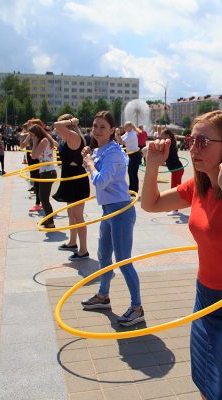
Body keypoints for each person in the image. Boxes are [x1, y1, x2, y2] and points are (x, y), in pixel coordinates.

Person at [141, 110, 222, 399]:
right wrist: (152, 166)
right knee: (204, 383)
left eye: (203, 141)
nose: (193, 147)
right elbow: (150, 204)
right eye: (191, 139)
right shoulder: (199, 184)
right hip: (205, 299)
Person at [80, 111, 144, 327]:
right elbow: (92, 169)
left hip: (121, 212)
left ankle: (137, 307)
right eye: (95, 126)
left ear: (112, 130)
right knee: (103, 256)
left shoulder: (114, 153)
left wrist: (89, 162)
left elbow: (100, 181)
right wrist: (89, 157)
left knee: (123, 260)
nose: (97, 130)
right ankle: (103, 296)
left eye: (102, 127)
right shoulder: (101, 150)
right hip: (108, 210)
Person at [52, 114, 91, 261]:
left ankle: (83, 250)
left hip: (76, 180)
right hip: (69, 178)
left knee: (78, 216)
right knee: (71, 214)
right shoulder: (68, 138)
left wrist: (71, 121)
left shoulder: (73, 136)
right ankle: (72, 242)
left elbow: (56, 125)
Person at [29, 123, 58, 229]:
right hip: (47, 171)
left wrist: (35, 142)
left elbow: (34, 156)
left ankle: (50, 222)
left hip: (47, 172)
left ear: (36, 134)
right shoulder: (46, 139)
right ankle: (48, 220)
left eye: (32, 135)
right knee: (43, 197)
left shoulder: (43, 141)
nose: (31, 137)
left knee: (44, 198)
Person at [158, 126, 185, 216]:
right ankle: (174, 208)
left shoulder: (169, 144)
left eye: (162, 136)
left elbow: (164, 155)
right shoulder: (170, 143)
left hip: (177, 169)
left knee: (175, 190)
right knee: (175, 189)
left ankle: (175, 209)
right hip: (177, 169)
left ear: (167, 136)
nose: (161, 138)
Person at [116, 121, 141, 193]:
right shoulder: (128, 133)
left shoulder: (131, 134)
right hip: (131, 155)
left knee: (133, 173)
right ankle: (131, 188)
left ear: (130, 127)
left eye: (126, 127)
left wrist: (117, 134)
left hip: (135, 155)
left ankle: (135, 190)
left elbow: (121, 142)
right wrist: (117, 134)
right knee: (130, 172)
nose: (124, 128)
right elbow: (119, 139)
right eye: (124, 126)